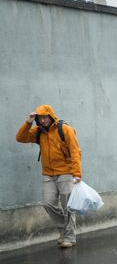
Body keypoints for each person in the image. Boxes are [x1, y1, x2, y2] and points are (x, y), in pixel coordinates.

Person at [16, 105, 82, 248]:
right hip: (48, 174)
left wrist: (76, 174)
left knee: (68, 207)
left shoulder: (64, 129)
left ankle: (70, 237)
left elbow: (75, 152)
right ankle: (64, 229)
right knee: (48, 203)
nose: (43, 120)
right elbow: (20, 138)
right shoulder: (39, 132)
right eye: (40, 118)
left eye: (45, 117)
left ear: (51, 116)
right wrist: (28, 122)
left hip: (65, 172)